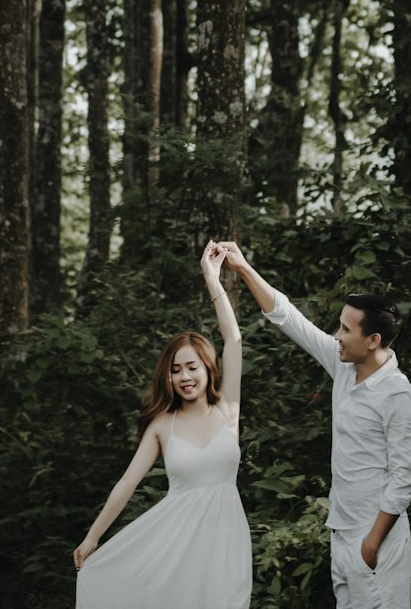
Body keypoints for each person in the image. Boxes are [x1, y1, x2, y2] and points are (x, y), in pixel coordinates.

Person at [218, 242, 411, 609]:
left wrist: (371, 544)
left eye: (346, 329)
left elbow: (404, 478)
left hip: (376, 538)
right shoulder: (343, 365)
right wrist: (243, 269)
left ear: (373, 340)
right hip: (341, 531)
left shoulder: (398, 395)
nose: (337, 336)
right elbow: (288, 317)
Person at [73, 241, 252, 609]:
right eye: (175, 370)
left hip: (226, 540)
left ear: (208, 369)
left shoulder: (227, 410)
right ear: (167, 378)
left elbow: (233, 340)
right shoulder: (161, 426)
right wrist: (93, 537)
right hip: (175, 542)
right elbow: (127, 482)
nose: (184, 377)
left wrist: (212, 277)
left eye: (192, 367)